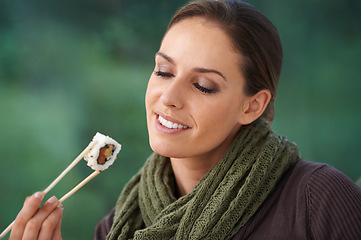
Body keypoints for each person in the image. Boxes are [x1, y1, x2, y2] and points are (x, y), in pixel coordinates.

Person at [8, 0, 361, 239]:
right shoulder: (119, 225)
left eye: (204, 86)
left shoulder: (317, 200)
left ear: (252, 106)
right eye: (163, 71)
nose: (169, 98)